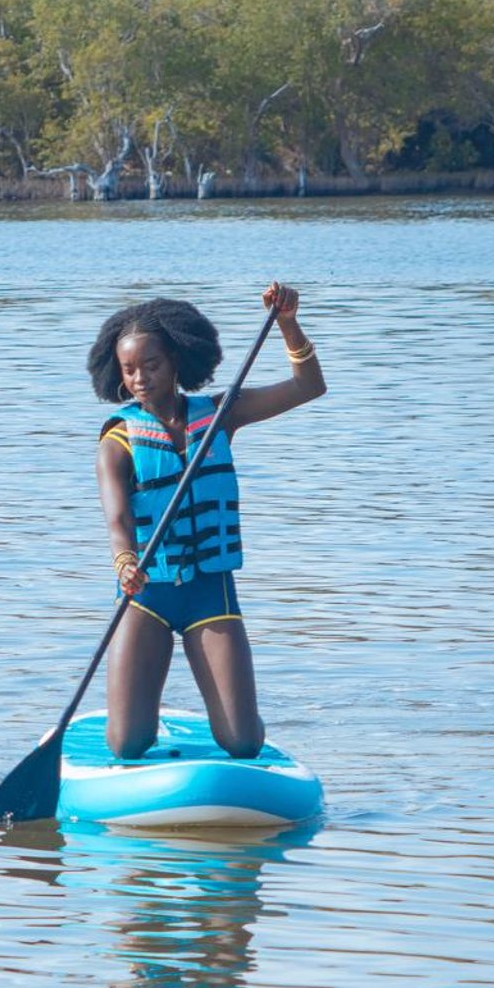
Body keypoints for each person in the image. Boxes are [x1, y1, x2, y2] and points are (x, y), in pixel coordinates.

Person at [88, 282, 326, 761]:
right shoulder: (118, 440)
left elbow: (309, 386)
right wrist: (125, 562)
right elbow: (116, 518)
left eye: (150, 365)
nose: (139, 378)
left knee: (242, 742)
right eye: (129, 369)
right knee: (128, 745)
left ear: (176, 360)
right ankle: (140, 715)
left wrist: (286, 322)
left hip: (209, 591)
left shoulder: (220, 414)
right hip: (146, 594)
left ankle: (236, 711)